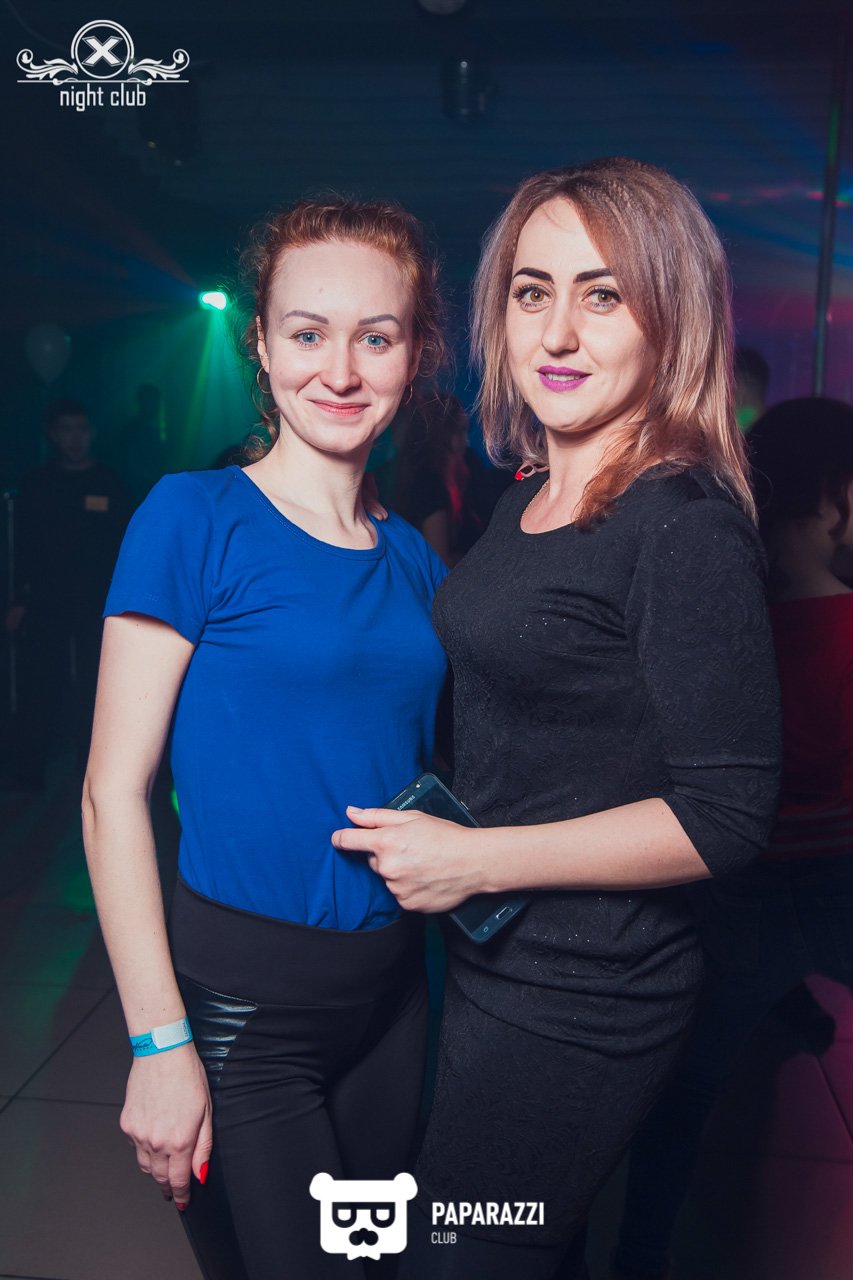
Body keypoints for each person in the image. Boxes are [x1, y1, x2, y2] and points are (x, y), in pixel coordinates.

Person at [332, 158, 782, 1280]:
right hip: (498, 959)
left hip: (590, 991)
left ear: (669, 316)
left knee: (459, 1256)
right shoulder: (531, 493)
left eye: (604, 294)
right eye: (533, 292)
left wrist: (478, 859)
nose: (559, 332)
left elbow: (727, 815)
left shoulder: (678, 523)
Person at [82, 197, 450, 1280]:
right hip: (245, 1013)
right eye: (306, 332)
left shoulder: (415, 559)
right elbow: (111, 793)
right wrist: (158, 1041)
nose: (339, 369)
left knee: (374, 1268)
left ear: (414, 353)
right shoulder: (192, 516)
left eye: (374, 336)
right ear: (260, 343)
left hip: (393, 997)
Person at [610, 396, 853, 1280]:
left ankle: (636, 1257)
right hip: (835, 881)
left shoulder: (723, 620)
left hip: (735, 886)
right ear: (831, 500)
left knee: (685, 1094)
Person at [5, 398, 129, 787]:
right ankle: (30, 771)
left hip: (99, 601)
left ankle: (92, 770)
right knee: (41, 681)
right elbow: (21, 547)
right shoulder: (38, 483)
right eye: (66, 430)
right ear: (53, 435)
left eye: (82, 429)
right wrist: (19, 599)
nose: (75, 438)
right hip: (46, 600)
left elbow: (127, 546)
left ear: (92, 433)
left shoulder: (110, 482)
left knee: (98, 682)